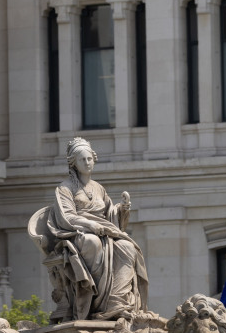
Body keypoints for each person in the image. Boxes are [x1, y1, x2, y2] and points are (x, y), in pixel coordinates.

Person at [46, 136, 149, 320]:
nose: (87, 163)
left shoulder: (99, 188)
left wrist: (123, 209)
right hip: (77, 234)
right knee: (93, 243)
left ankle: (115, 302)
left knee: (128, 247)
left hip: (104, 232)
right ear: (74, 163)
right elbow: (67, 217)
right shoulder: (65, 188)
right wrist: (90, 224)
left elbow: (110, 215)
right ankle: (95, 303)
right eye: (82, 160)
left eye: (89, 159)